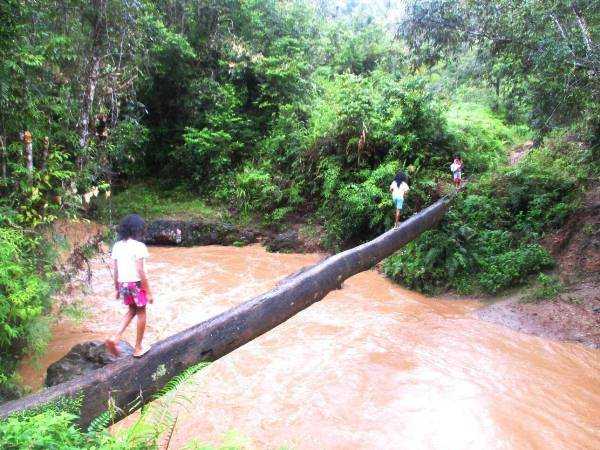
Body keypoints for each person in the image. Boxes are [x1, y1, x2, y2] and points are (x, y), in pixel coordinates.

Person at [106, 214, 154, 358]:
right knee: (142, 313)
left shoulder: (117, 246)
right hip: (136, 284)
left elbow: (115, 270)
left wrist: (116, 289)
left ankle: (115, 337)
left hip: (124, 284)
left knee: (132, 310)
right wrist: (148, 291)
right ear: (137, 229)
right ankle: (138, 348)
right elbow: (140, 270)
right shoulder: (139, 246)